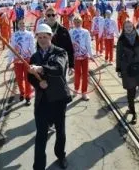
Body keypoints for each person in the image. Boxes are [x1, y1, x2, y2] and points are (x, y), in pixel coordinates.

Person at [28, 23, 71, 170]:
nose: (42, 40)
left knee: (60, 131)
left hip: (58, 99)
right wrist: (38, 84)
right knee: (41, 135)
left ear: (50, 37)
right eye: (39, 37)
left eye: (45, 37)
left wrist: (41, 69)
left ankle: (60, 155)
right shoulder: (34, 56)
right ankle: (38, 166)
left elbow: (58, 69)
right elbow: (30, 77)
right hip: (42, 101)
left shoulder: (60, 52)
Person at [116, 20, 139, 125]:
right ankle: (134, 112)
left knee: (134, 90)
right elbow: (118, 55)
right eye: (126, 27)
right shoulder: (121, 40)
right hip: (127, 68)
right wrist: (118, 69)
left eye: (130, 26)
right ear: (123, 28)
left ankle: (131, 108)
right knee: (130, 90)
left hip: (138, 67)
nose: (128, 28)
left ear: (133, 27)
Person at [8, 19, 35, 105]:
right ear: (18, 25)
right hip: (17, 60)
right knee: (19, 79)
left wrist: (34, 59)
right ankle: (22, 93)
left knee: (27, 79)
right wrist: (9, 61)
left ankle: (28, 96)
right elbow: (11, 48)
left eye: (23, 23)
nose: (22, 24)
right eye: (20, 23)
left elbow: (32, 47)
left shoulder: (29, 34)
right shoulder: (14, 35)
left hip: (27, 59)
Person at [43, 7, 74, 73]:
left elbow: (70, 48)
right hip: (46, 63)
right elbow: (38, 48)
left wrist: (71, 65)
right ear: (45, 17)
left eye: (53, 15)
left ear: (56, 16)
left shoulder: (63, 30)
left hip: (61, 62)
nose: (51, 17)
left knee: (62, 82)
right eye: (49, 15)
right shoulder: (42, 31)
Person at [69, 15, 93, 100]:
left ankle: (84, 92)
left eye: (78, 22)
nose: (77, 24)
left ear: (81, 22)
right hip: (76, 56)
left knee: (85, 74)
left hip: (85, 56)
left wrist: (91, 55)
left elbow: (88, 44)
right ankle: (76, 89)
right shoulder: (71, 32)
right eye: (75, 22)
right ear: (73, 23)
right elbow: (70, 45)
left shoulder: (86, 32)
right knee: (77, 74)